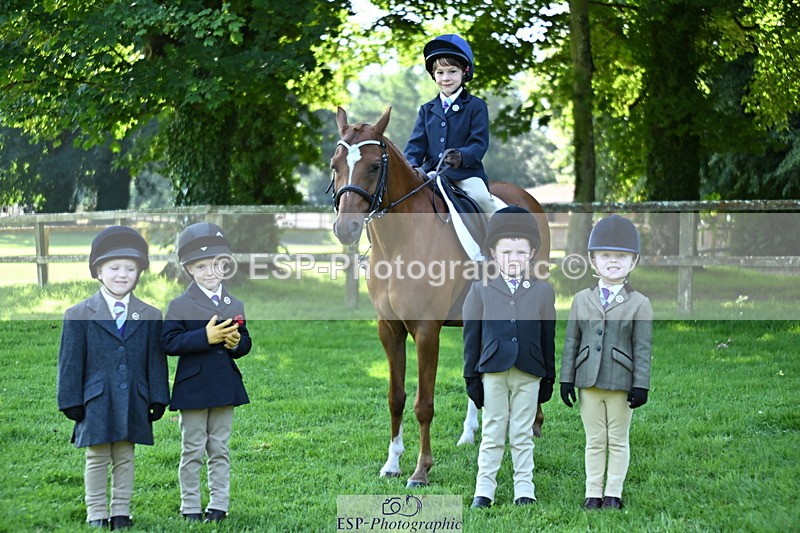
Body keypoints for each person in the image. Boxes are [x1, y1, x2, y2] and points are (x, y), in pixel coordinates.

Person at [57, 226, 169, 530]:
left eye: (130, 269)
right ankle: (96, 512)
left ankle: (121, 511)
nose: (122, 274)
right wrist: (70, 400)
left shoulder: (149, 315)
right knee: (97, 456)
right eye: (114, 268)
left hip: (134, 396)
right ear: (98, 272)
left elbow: (155, 361)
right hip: (96, 399)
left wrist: (158, 397)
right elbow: (70, 362)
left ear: (138, 273)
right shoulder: (78, 314)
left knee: (125, 455)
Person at [462, 206, 556, 508]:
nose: (513, 259)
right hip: (493, 371)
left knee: (522, 432)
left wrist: (548, 377)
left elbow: (547, 338)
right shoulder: (479, 290)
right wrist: (471, 377)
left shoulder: (543, 292)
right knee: (492, 430)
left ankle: (524, 489)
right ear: (493, 253)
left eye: (520, 252)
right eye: (506, 252)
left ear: (531, 254)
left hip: (529, 371)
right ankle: (484, 489)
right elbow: (471, 340)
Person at [559, 214, 653, 510]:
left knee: (618, 439)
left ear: (633, 262)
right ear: (593, 261)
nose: (614, 262)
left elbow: (642, 346)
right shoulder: (580, 300)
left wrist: (641, 385)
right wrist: (566, 378)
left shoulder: (640, 303)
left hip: (621, 383)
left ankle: (613, 492)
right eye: (606, 255)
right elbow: (572, 341)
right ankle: (592, 493)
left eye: (622, 256)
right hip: (588, 380)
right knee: (595, 439)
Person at [161, 222, 252, 523]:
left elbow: (244, 342)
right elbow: (168, 342)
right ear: (188, 270)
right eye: (200, 266)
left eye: (215, 264)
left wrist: (237, 343)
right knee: (192, 449)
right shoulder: (180, 304)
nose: (209, 272)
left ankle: (219, 504)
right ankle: (190, 506)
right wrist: (205, 337)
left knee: (220, 448)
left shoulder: (234, 302)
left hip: (225, 388)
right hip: (193, 390)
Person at [404, 33, 501, 217]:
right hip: (430, 174)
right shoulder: (427, 109)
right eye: (440, 73)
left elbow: (479, 144)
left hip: (465, 174)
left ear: (465, 71)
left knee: (483, 200)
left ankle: (499, 238)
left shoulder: (476, 105)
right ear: (433, 75)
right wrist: (410, 166)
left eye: (452, 71)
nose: (446, 78)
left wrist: (461, 156)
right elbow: (416, 145)